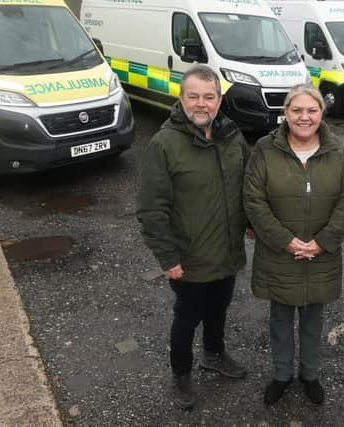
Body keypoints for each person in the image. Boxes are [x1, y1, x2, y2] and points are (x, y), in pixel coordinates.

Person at [136, 65, 249, 410]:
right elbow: (151, 209)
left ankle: (214, 354)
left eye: (209, 97)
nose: (202, 104)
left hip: (227, 252)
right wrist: (168, 259)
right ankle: (181, 373)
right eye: (194, 96)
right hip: (189, 257)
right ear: (181, 99)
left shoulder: (232, 137)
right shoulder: (165, 144)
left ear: (219, 100)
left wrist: (254, 222)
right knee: (187, 317)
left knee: (220, 308)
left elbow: (248, 187)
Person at [244, 84, 344, 405]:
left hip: (321, 256)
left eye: (312, 110)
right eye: (297, 110)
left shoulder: (339, 151)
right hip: (279, 254)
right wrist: (284, 240)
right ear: (286, 113)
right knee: (280, 318)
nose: (304, 117)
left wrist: (323, 242)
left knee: (313, 319)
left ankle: (310, 375)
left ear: (322, 113)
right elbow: (253, 200)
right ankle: (282, 374)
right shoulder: (265, 150)